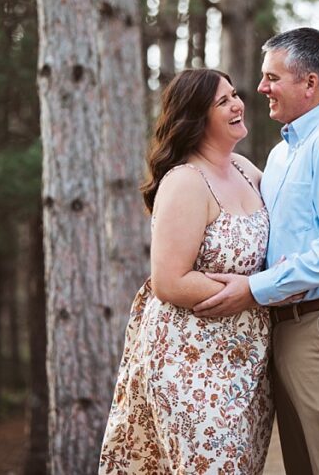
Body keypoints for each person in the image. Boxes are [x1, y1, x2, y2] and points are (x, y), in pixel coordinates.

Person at [193, 28, 319, 475]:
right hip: (287, 329)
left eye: (271, 77)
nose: (261, 88)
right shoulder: (282, 157)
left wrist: (256, 288)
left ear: (310, 83)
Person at [99, 69, 274, 474]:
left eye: (234, 94)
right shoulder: (185, 182)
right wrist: (252, 290)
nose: (237, 104)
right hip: (189, 363)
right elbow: (169, 280)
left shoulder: (246, 169)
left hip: (247, 363)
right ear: (196, 118)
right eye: (222, 102)